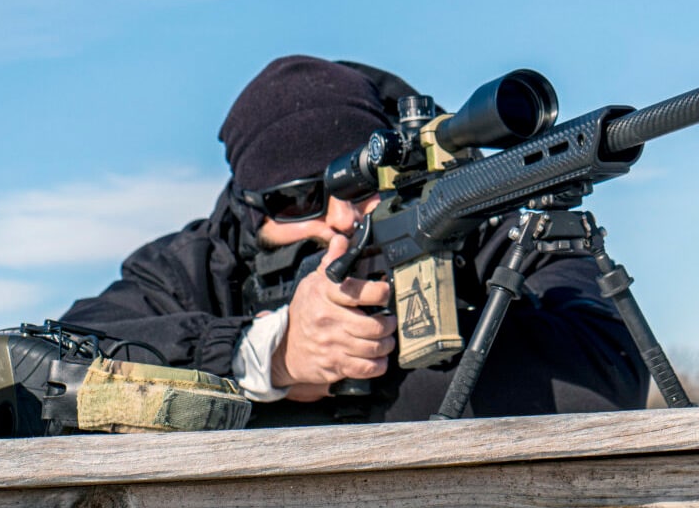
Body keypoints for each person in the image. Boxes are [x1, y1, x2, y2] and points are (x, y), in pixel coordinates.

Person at [58, 55, 648, 426]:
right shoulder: (189, 270)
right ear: (246, 207)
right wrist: (268, 356)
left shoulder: (488, 231)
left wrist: (427, 328)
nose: (339, 218)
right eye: (296, 201)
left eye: (363, 186)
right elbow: (33, 377)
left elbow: (610, 375)